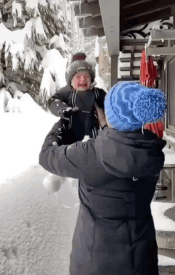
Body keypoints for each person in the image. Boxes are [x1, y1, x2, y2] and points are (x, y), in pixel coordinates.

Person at [39, 82, 167, 275]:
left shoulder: (92, 154)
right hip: (140, 259)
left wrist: (63, 123)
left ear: (112, 115)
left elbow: (47, 156)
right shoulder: (153, 151)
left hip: (94, 262)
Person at [47, 53, 107, 142]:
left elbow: (110, 102)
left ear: (91, 80)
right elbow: (52, 101)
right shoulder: (68, 91)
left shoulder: (96, 93)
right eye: (78, 77)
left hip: (93, 139)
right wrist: (63, 109)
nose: (83, 80)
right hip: (70, 138)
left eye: (87, 76)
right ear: (71, 81)